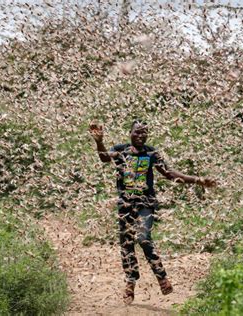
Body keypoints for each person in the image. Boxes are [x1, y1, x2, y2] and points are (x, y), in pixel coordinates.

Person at [89, 119, 215, 305]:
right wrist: (99, 141)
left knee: (143, 237)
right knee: (127, 245)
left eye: (144, 132)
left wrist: (197, 180)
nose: (140, 135)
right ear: (130, 133)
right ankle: (130, 283)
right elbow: (105, 157)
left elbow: (170, 174)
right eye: (137, 132)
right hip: (125, 205)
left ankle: (161, 277)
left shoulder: (151, 153)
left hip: (145, 204)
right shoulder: (121, 150)